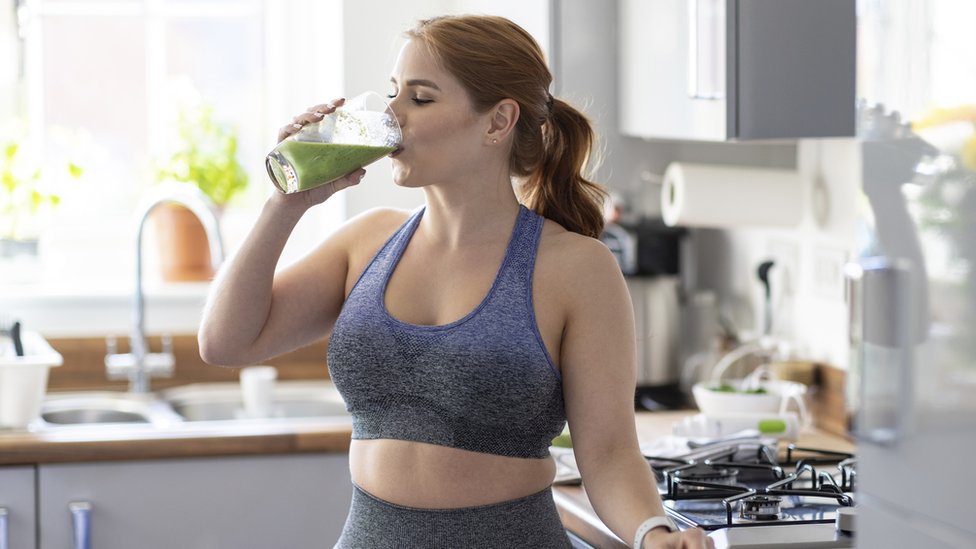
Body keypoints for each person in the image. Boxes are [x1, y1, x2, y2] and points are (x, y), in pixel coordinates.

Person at [198, 14, 714, 549]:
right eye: (393, 94)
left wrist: (653, 533)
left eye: (420, 99)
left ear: (497, 122)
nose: (391, 116)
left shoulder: (577, 268)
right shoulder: (367, 243)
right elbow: (226, 342)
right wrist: (287, 203)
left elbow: (608, 454)